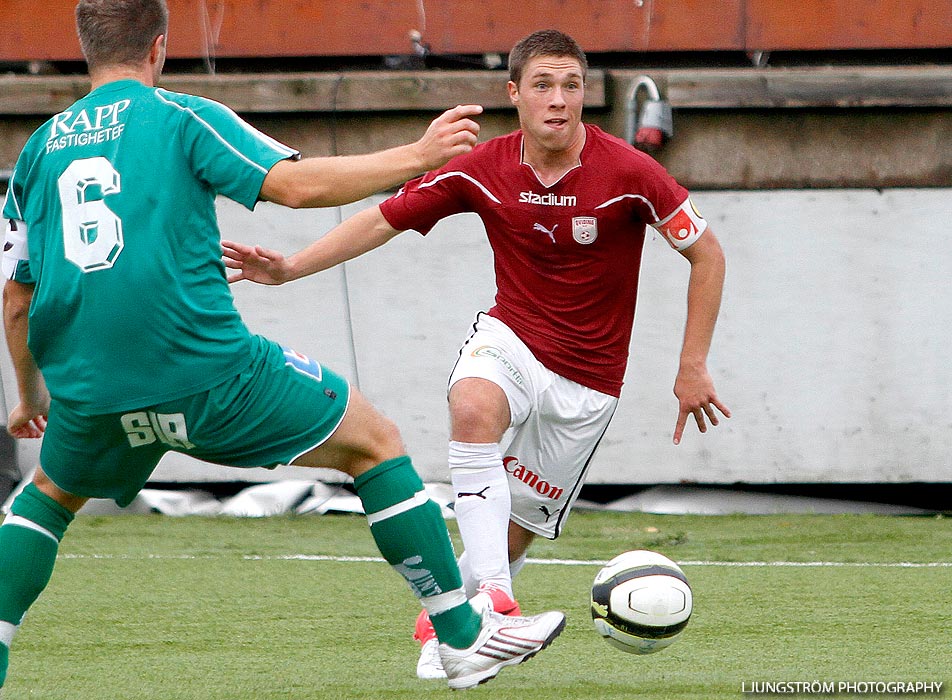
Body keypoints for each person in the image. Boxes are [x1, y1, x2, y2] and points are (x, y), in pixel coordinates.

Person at [0, 1, 567, 691]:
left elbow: (17, 300)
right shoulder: (182, 117)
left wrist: (31, 399)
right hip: (206, 373)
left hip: (89, 391)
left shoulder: (36, 151)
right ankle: (463, 637)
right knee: (374, 442)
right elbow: (294, 187)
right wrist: (418, 156)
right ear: (158, 47)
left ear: (85, 50)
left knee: (48, 498)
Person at [223, 29, 730, 679]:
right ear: (514, 94)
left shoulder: (630, 173)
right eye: (543, 85)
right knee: (472, 404)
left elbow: (706, 253)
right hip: (511, 337)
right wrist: (291, 266)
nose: (558, 100)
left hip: (589, 383)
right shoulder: (481, 167)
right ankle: (490, 598)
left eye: (571, 86)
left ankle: (457, 629)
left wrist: (692, 364)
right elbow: (385, 218)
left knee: (514, 533)